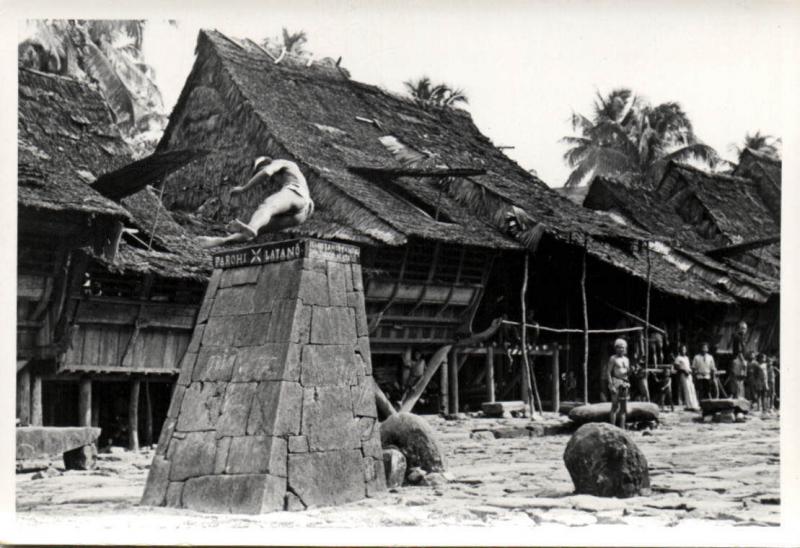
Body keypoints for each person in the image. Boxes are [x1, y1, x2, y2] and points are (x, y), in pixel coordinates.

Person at [197, 157, 315, 248]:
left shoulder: (281, 162)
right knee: (257, 229)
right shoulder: (286, 176)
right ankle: (222, 241)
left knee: (267, 206)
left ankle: (252, 227)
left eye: (260, 168)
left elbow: (267, 172)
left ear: (267, 162)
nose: (261, 171)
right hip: (302, 215)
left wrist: (244, 188)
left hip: (297, 192)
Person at [607, 338, 631, 429]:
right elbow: (608, 372)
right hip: (616, 382)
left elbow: (627, 372)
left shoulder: (627, 359)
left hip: (625, 383)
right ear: (616, 348)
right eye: (619, 347)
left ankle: (622, 427)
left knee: (623, 408)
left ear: (625, 349)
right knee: (614, 406)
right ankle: (613, 427)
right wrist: (611, 385)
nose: (621, 349)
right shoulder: (613, 358)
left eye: (623, 348)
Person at [674, 344, 700, 411]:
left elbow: (688, 366)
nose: (683, 351)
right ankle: (689, 405)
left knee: (691, 388)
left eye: (684, 349)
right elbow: (676, 367)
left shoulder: (686, 358)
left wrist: (690, 371)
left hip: (689, 374)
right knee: (687, 389)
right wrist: (683, 370)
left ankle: (694, 404)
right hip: (683, 374)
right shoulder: (678, 358)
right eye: (682, 350)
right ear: (680, 350)